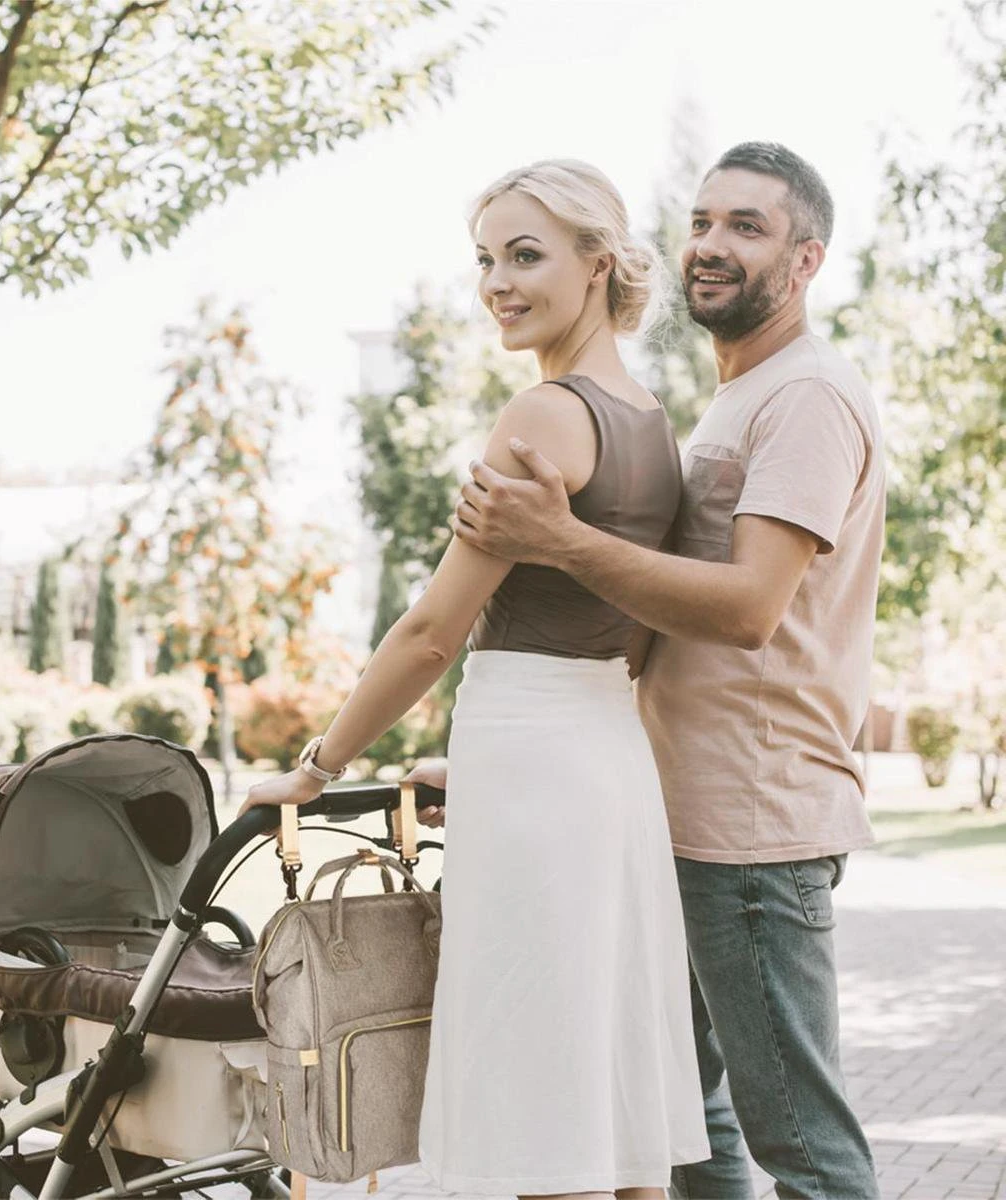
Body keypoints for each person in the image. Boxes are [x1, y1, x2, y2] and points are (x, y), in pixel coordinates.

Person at [241, 159, 710, 1198]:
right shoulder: (650, 422)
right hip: (603, 761)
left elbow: (429, 633)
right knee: (605, 1100)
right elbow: (625, 629)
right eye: (487, 260)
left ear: (598, 263)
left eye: (526, 255)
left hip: (540, 771)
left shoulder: (543, 416)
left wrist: (317, 768)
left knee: (547, 1107)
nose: (498, 283)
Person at [449, 142, 885, 1199]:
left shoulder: (808, 397)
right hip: (668, 814)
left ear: (806, 260)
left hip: (754, 823)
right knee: (687, 1132)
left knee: (802, 1144)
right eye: (701, 222)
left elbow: (747, 610)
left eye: (748, 227)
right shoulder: (736, 396)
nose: (712, 245)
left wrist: (560, 541)